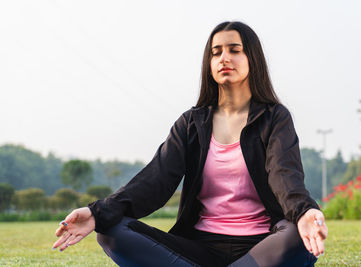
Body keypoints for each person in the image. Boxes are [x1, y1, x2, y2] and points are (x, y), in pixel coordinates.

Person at [53, 21, 328, 267]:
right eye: (216, 52)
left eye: (234, 50)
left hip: (263, 246)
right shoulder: (191, 124)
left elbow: (285, 176)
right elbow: (154, 180)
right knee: (111, 231)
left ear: (252, 58)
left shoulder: (274, 118)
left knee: (297, 235)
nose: (224, 58)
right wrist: (97, 212)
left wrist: (304, 212)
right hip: (199, 248)